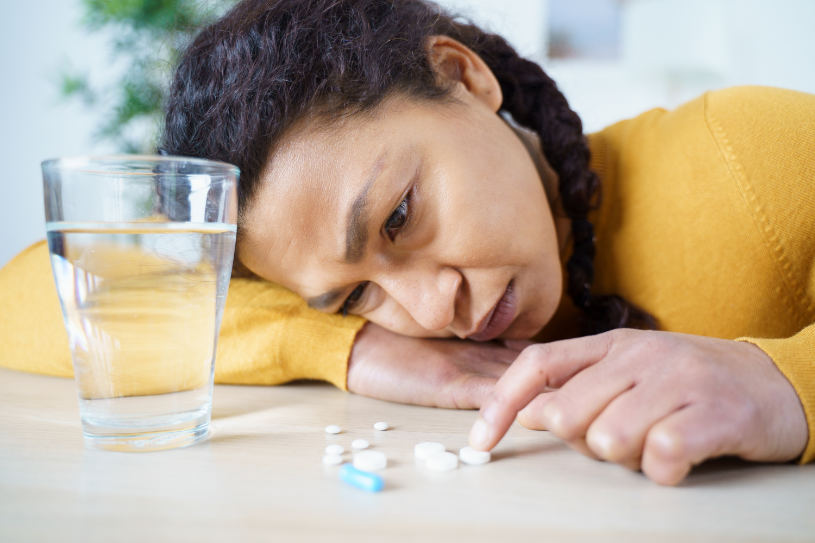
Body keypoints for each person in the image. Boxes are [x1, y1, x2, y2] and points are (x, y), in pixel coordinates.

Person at [1, 0, 813, 485]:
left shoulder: (744, 157)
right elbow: (25, 293)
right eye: (358, 292)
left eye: (397, 217)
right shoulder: (334, 293)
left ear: (463, 77)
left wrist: (783, 382)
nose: (432, 309)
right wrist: (346, 345)